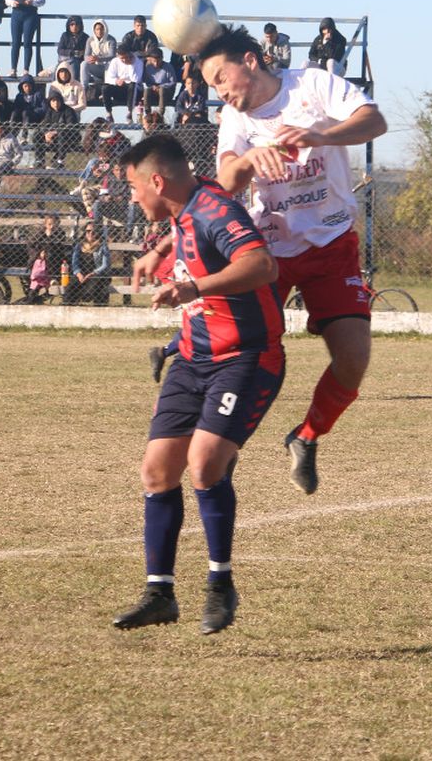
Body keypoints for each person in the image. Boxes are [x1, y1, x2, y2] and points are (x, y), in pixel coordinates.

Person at [145, 24, 387, 496]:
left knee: (354, 359)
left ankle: (306, 437)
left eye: (220, 78)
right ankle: (219, 449)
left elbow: (373, 122)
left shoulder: (313, 85)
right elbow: (225, 180)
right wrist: (253, 157)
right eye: (212, 85)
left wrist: (322, 132)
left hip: (331, 244)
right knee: (238, 354)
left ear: (250, 61)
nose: (219, 91)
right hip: (265, 251)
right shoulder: (236, 121)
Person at [113, 134, 285, 635]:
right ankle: (159, 593)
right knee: (156, 470)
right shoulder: (186, 208)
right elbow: (187, 222)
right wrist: (158, 253)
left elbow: (261, 265)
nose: (131, 196)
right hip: (193, 357)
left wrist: (193, 286)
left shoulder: (215, 211)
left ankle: (219, 584)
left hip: (246, 357)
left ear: (157, 181)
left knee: (205, 463)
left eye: (132, 187)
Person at [6, 0, 44, 75]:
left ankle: (26, 69)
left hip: (30, 15)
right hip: (17, 15)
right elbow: (7, 0)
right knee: (16, 43)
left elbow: (42, 0)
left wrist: (32, 1)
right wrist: (13, 3)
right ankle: (13, 69)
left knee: (27, 43)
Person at [83, 18, 117, 110]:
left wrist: (99, 58)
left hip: (108, 67)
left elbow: (112, 55)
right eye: (97, 29)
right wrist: (90, 59)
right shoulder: (90, 40)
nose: (99, 31)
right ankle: (84, 89)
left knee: (110, 64)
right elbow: (86, 55)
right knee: (84, 64)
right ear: (94, 30)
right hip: (95, 66)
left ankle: (106, 91)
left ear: (105, 29)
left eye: (101, 29)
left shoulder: (111, 40)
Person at [105, 42, 143, 123]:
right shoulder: (115, 61)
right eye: (121, 58)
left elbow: (136, 80)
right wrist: (116, 81)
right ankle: (109, 114)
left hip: (134, 90)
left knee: (132, 85)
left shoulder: (138, 62)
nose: (124, 60)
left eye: (125, 57)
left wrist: (130, 65)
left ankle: (129, 113)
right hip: (119, 88)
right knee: (105, 88)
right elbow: (108, 78)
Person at [138, 50, 175, 117]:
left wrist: (161, 86)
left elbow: (172, 82)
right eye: (154, 61)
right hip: (153, 90)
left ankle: (161, 114)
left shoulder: (168, 67)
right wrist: (153, 86)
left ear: (162, 58)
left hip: (166, 91)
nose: (156, 64)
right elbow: (147, 82)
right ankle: (148, 113)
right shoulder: (148, 67)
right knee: (147, 91)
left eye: (158, 61)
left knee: (162, 90)